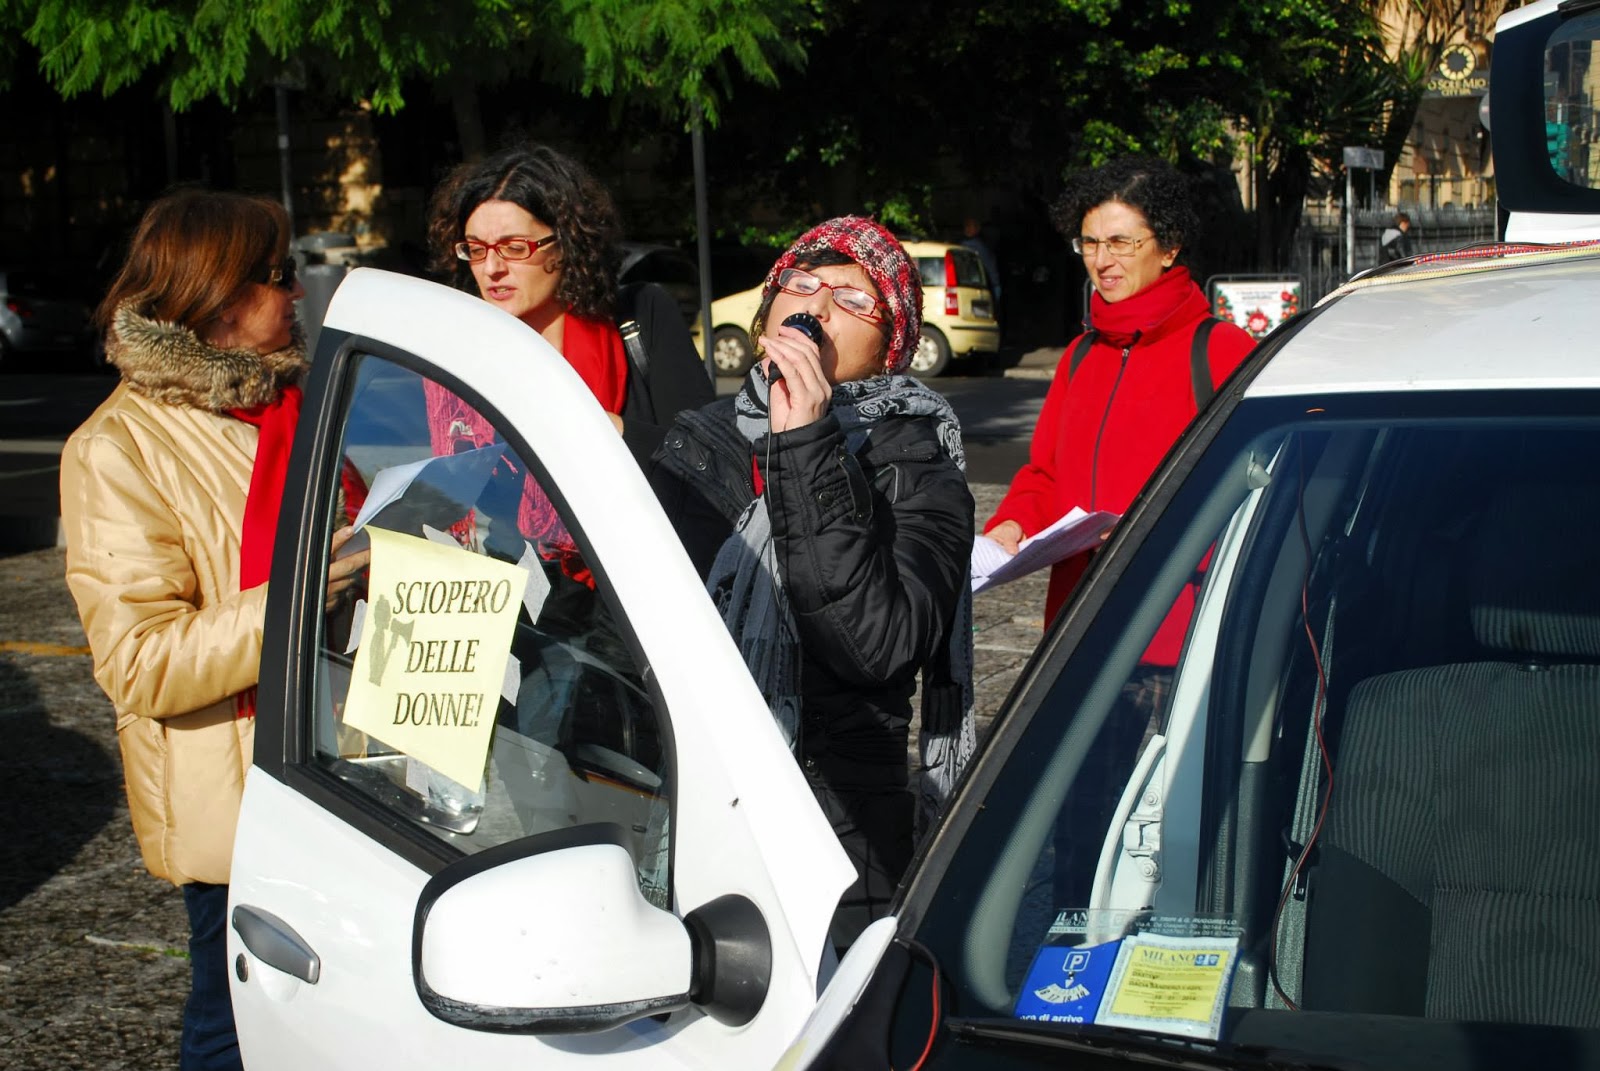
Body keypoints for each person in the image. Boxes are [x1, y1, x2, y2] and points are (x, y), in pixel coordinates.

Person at [59, 188, 367, 1071]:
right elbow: (139, 663)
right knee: (235, 1027)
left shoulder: (288, 403)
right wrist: (301, 595)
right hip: (240, 803)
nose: (297, 295)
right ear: (217, 299)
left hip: (345, 771)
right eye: (277, 278)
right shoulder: (115, 448)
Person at [649, 217, 977, 947]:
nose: (818, 308)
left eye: (851, 300)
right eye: (801, 286)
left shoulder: (921, 471)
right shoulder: (697, 442)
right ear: (768, 312)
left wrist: (806, 444)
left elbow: (875, 645)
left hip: (839, 841)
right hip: (695, 811)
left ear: (889, 346)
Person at [983, 157, 1255, 907]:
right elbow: (1045, 474)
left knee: (1174, 836)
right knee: (1079, 830)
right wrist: (1012, 521)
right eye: (1090, 243)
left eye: (1121, 243)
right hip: (1082, 634)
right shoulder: (1079, 356)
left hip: (1179, 641)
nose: (1101, 261)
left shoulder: (1221, 352)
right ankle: (1072, 984)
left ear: (1168, 246)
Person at [426, 142, 714, 468]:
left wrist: (598, 426)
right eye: (476, 249)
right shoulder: (461, 354)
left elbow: (709, 456)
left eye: (515, 248)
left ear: (566, 243)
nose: (492, 268)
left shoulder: (640, 314)